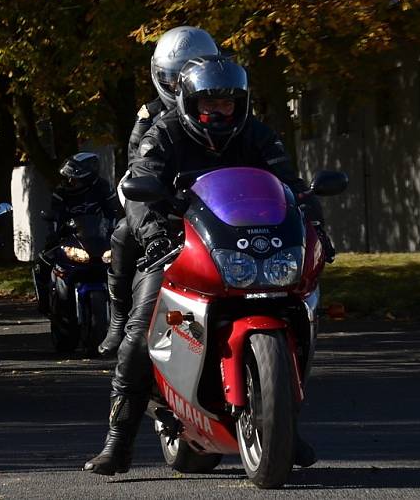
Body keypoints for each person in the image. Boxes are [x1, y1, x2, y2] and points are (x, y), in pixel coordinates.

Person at [84, 55, 324, 476]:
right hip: (178, 246)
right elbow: (140, 189)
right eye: (208, 103)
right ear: (189, 102)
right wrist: (156, 234)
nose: (218, 111)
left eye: (228, 103)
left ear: (241, 103)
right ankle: (118, 441)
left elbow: (290, 186)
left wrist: (315, 223)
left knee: (298, 309)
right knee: (142, 334)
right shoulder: (163, 133)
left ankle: (282, 424)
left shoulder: (259, 135)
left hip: (247, 249)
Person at [98, 26, 220, 356]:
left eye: (188, 76)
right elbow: (139, 169)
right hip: (166, 209)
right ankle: (119, 312)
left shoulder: (225, 113)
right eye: (171, 77)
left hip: (217, 212)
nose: (179, 86)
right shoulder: (149, 118)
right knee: (123, 233)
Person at [33, 152, 120, 314]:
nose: (70, 181)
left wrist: (114, 232)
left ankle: (128, 307)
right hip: (70, 238)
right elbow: (54, 216)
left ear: (88, 176)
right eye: (69, 177)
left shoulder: (103, 187)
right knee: (41, 264)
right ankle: (46, 305)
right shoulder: (61, 192)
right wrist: (54, 234)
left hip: (99, 240)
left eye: (75, 177)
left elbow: (113, 213)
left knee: (127, 264)